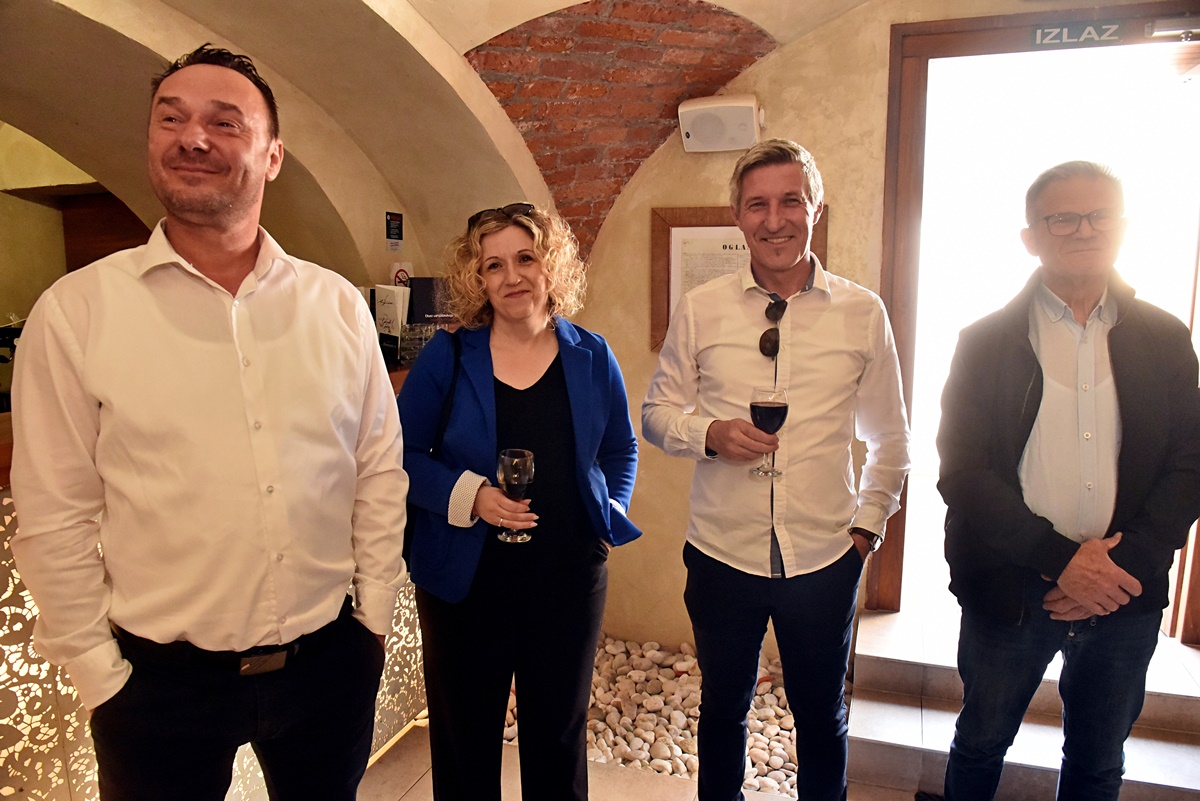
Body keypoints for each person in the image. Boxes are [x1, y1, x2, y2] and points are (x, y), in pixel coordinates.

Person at [9, 44, 407, 801]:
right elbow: (56, 512)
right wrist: (100, 674)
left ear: (273, 156)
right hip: (157, 688)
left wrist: (373, 620)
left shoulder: (336, 307)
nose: (193, 137)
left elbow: (377, 471)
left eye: (225, 122)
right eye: (171, 119)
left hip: (329, 666)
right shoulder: (77, 312)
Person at [642, 139, 911, 801]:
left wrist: (865, 532)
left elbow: (891, 439)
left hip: (824, 557)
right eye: (757, 204)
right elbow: (656, 414)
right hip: (720, 554)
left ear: (815, 208)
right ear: (737, 215)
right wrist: (709, 434)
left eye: (791, 200)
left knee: (821, 714)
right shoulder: (701, 306)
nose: (774, 219)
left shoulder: (862, 312)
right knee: (722, 709)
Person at [937, 161, 1200, 801]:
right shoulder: (985, 342)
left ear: (1122, 227)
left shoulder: (1165, 338)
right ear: (1031, 237)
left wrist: (1118, 567)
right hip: (1012, 587)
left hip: (1124, 590)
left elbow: (1191, 462)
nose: (1084, 230)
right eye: (1062, 218)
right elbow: (962, 470)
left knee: (1098, 761)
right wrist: (1062, 562)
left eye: (1099, 215)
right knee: (980, 743)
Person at [398, 202, 641, 801]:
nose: (512, 277)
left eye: (525, 258)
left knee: (557, 736)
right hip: (465, 582)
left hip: (566, 577)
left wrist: (607, 516)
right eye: (494, 265)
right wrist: (471, 495)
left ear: (550, 265)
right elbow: (401, 456)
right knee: (464, 738)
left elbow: (621, 447)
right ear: (477, 278)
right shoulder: (448, 357)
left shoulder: (592, 355)